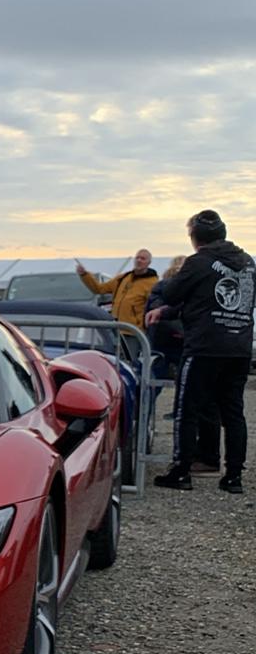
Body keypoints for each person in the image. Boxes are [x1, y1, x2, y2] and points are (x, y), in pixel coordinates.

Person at [148, 210, 254, 494]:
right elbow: (214, 299)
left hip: (205, 346)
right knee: (233, 412)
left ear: (195, 237)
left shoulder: (199, 261)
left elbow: (173, 294)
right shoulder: (247, 262)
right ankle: (233, 477)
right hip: (239, 345)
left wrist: (165, 301)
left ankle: (181, 471)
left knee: (187, 408)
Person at [75, 249, 158, 326]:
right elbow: (99, 289)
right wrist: (84, 275)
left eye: (143, 259)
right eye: (137, 258)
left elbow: (154, 307)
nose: (139, 260)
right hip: (117, 327)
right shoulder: (123, 278)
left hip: (135, 330)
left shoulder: (152, 283)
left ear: (149, 262)